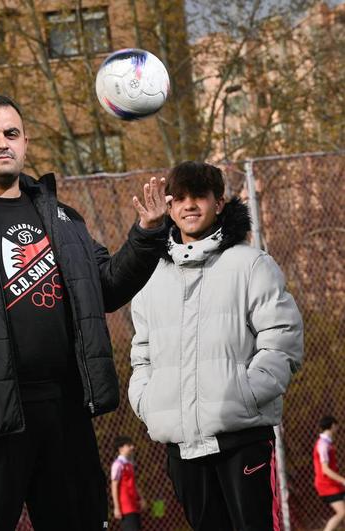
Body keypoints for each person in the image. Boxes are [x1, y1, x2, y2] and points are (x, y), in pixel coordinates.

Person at [0, 94, 170, 531]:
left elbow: (105, 288)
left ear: (25, 142)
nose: (2, 142)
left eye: (11, 133)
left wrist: (147, 235)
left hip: (64, 411)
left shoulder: (63, 217)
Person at [128, 161, 304, 531]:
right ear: (170, 207)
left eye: (200, 196)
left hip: (241, 439)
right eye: (180, 198)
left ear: (219, 202)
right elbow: (141, 352)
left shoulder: (251, 264)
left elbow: (282, 340)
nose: (190, 205)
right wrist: (146, 400)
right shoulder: (150, 277)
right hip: (181, 445)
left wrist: (246, 394)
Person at [313, 416, 345, 531]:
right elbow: (325, 469)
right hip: (326, 485)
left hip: (333, 483)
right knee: (342, 513)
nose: (338, 427)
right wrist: (343, 480)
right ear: (333, 425)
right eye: (337, 425)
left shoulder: (327, 442)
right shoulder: (323, 444)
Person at [111, 436, 146, 531]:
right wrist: (117, 507)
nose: (132, 447)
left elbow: (133, 484)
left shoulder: (129, 464)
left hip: (134, 505)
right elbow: (114, 487)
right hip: (125, 508)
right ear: (121, 448)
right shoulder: (117, 465)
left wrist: (141, 498)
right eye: (129, 445)